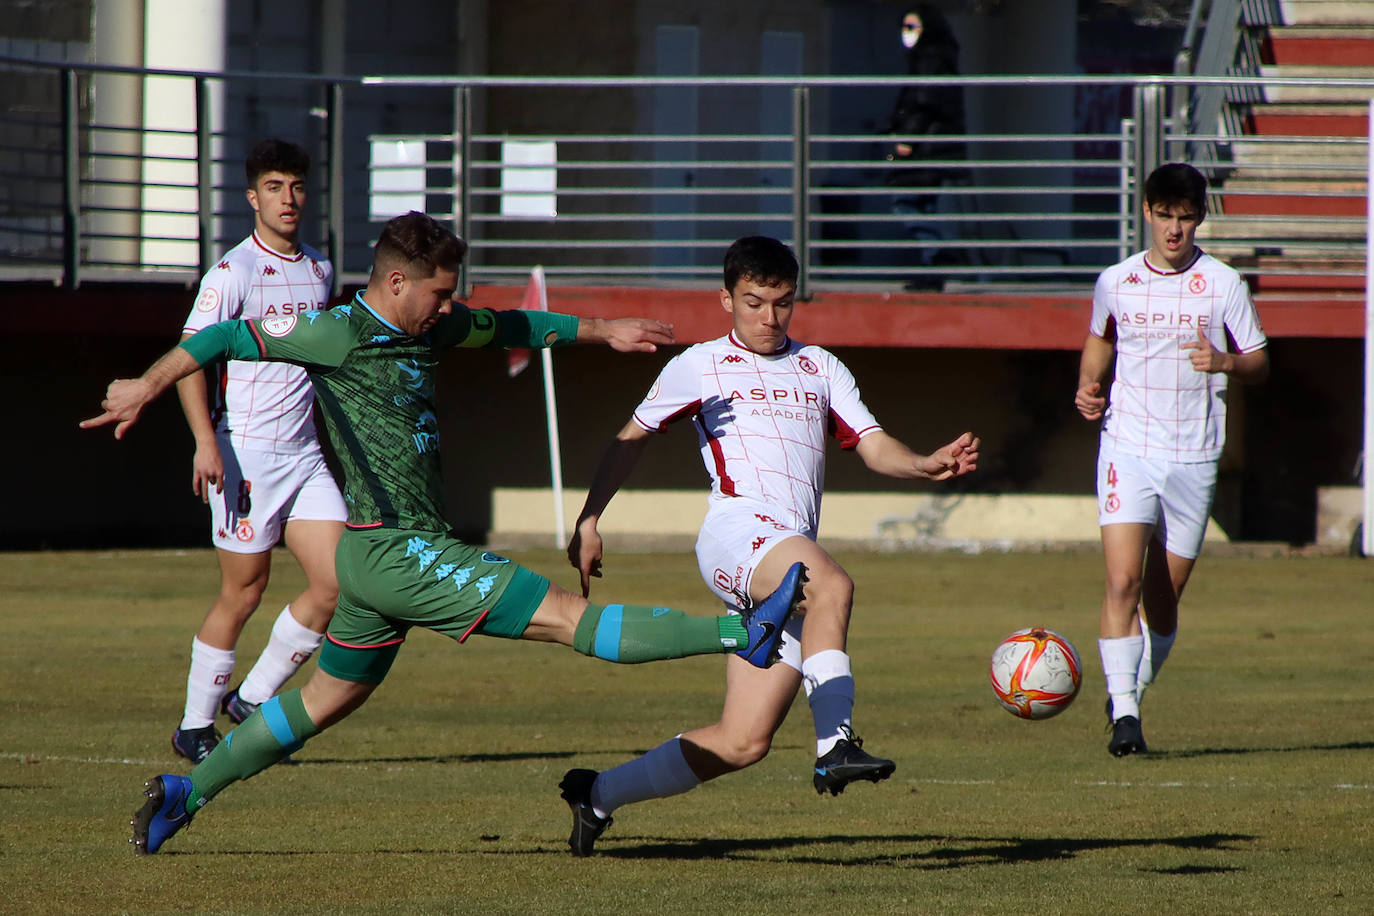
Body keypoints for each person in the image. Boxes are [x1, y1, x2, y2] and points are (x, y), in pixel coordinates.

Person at [81, 211, 805, 855]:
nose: (450, 307)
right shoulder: (333, 331)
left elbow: (511, 325)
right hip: (401, 552)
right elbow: (221, 336)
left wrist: (599, 330)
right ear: (397, 282)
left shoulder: (433, 323)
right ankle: (744, 633)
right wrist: (147, 386)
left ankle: (189, 793)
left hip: (369, 560)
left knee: (319, 703)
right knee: (568, 618)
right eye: (439, 293)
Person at [561, 236, 980, 856]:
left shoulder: (822, 367)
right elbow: (632, 437)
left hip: (788, 551)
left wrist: (923, 464)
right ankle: (835, 745)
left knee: (742, 741)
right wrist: (590, 517)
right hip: (735, 534)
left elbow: (870, 442)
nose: (768, 317)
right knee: (832, 586)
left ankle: (597, 794)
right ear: (726, 297)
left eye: (781, 303)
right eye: (753, 302)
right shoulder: (700, 364)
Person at [1075, 162, 1268, 757]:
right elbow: (1101, 336)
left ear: (1200, 218)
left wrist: (1226, 362)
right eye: (1165, 217)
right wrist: (1087, 385)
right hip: (1128, 446)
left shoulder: (1224, 284)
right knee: (1122, 579)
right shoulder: (1117, 281)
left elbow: (1259, 362)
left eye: (1186, 219)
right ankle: (1126, 717)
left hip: (1194, 457)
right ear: (1147, 213)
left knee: (1162, 601)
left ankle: (1128, 686)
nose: (1175, 230)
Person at [169, 139, 346, 765]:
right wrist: (205, 442)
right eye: (275, 187)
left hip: (305, 455)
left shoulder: (322, 271)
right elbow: (191, 357)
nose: (289, 198)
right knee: (244, 592)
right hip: (246, 454)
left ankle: (251, 701)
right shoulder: (233, 273)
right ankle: (194, 726)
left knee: (335, 583)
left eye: (296, 187)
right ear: (253, 197)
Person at [883, 5, 967, 290]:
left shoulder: (930, 59)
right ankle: (935, 266)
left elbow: (924, 102)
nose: (907, 34)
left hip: (925, 148)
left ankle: (941, 254)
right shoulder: (939, 57)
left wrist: (907, 137)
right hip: (934, 147)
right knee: (924, 206)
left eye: (913, 27)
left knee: (904, 203)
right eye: (904, 27)